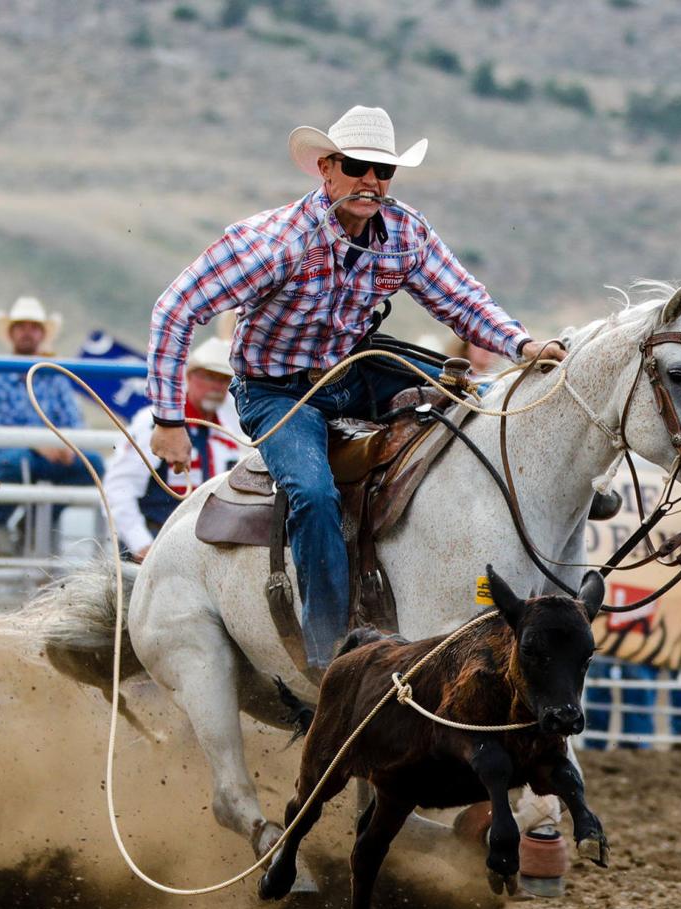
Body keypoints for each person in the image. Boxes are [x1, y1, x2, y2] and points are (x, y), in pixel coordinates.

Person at [147, 105, 564, 671]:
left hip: (354, 370)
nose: (371, 181)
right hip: (277, 390)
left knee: (471, 408)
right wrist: (169, 421)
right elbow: (177, 309)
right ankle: (329, 652)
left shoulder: (406, 231)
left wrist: (521, 346)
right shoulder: (273, 242)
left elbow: (462, 300)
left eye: (383, 170)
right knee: (314, 494)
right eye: (357, 166)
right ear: (326, 167)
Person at [0, 296, 104, 556]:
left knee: (93, 466)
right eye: (21, 326)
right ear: (11, 333)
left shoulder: (55, 376)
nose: (27, 332)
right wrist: (37, 444)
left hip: (44, 456)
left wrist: (66, 446)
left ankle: (29, 525)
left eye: (33, 327)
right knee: (20, 461)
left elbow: (74, 421)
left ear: (42, 334)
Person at [103, 339, 245, 562]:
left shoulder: (228, 433)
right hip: (155, 540)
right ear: (189, 376)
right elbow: (119, 487)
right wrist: (141, 544)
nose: (216, 386)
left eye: (223, 380)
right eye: (208, 376)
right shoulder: (155, 424)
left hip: (204, 550)